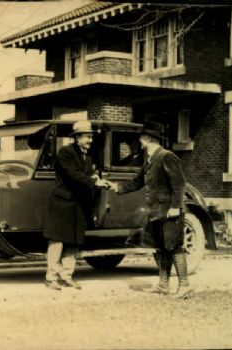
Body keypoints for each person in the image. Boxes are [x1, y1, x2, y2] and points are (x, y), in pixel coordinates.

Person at [108, 123, 192, 298]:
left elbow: (179, 184)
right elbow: (137, 182)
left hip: (170, 212)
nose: (139, 141)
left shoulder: (167, 157)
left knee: (174, 247)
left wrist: (176, 207)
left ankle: (185, 286)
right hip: (157, 212)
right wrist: (116, 186)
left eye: (141, 138)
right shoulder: (150, 159)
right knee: (161, 248)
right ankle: (163, 285)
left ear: (147, 139)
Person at [43, 120, 108, 290]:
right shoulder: (65, 152)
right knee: (57, 241)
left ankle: (66, 276)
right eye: (87, 137)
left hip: (78, 204)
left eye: (91, 137)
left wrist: (96, 178)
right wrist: (94, 183)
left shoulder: (88, 155)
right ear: (77, 137)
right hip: (62, 203)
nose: (90, 141)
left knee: (74, 242)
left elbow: (88, 174)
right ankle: (51, 278)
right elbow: (73, 175)